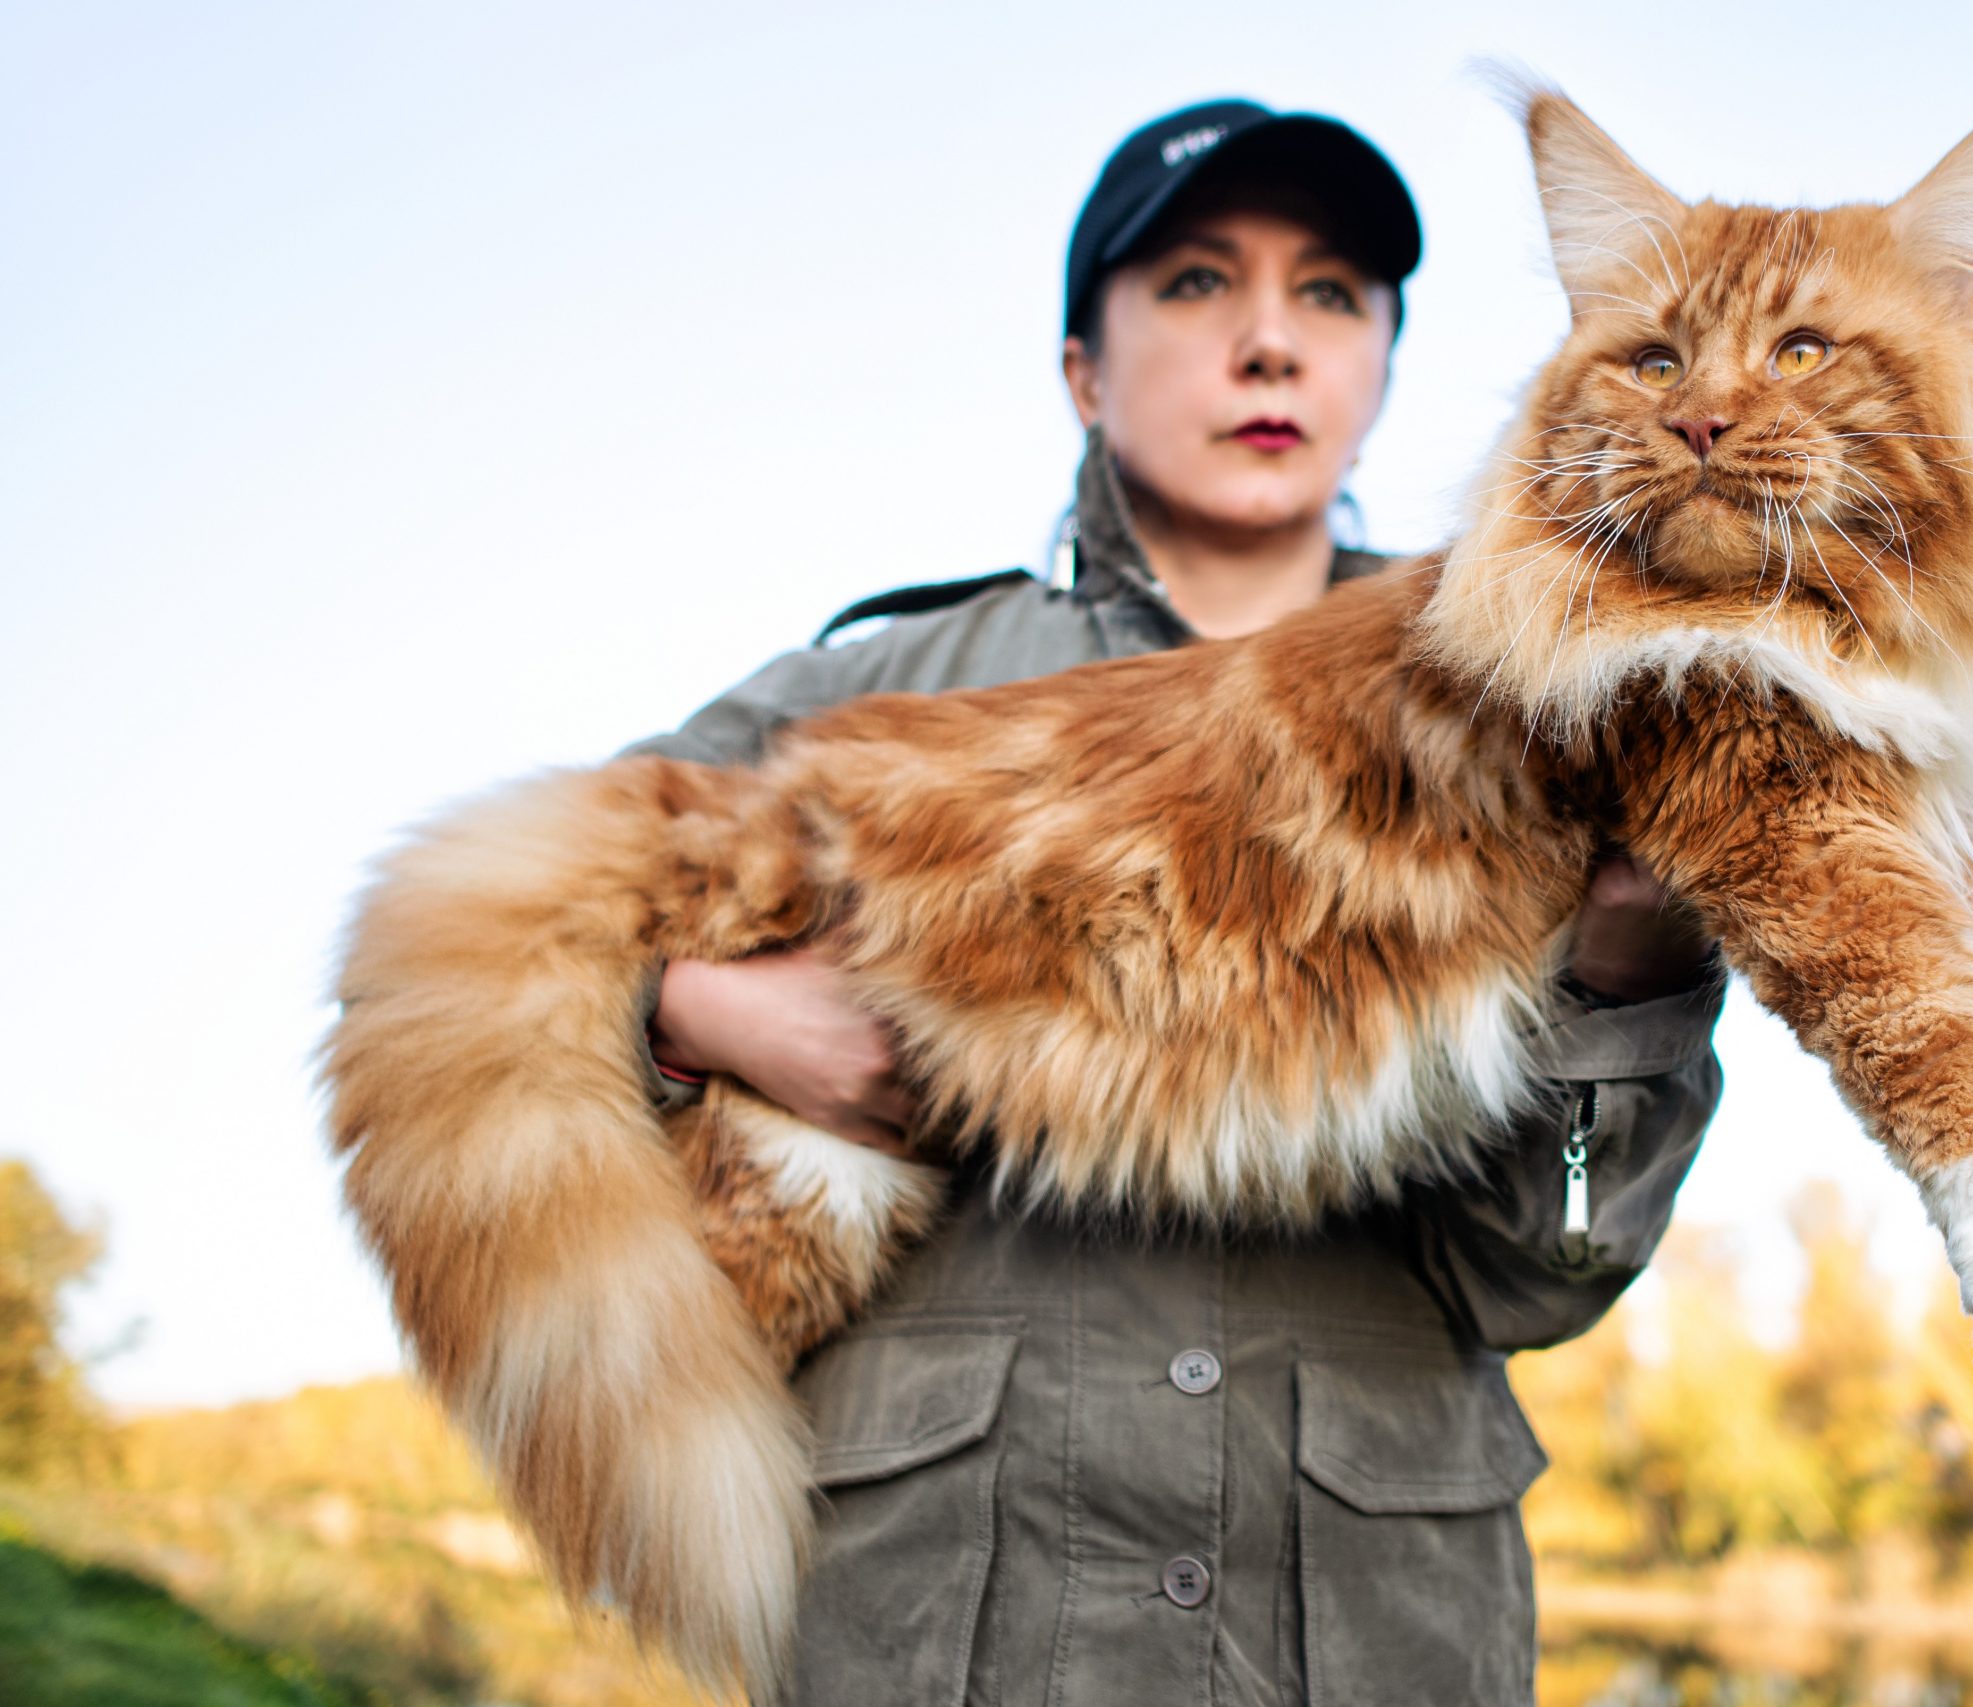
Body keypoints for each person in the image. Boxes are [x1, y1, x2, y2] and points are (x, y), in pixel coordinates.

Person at [630, 99, 1727, 1706]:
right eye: (1202, 283)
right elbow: (476, 976)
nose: (1271, 344)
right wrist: (705, 1015)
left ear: (1383, 372)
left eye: (1333, 295)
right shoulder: (867, 692)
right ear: (1084, 365)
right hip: (934, 1634)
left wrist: (1617, 984)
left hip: (1364, 1638)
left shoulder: (1548, 702)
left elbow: (1539, 1279)